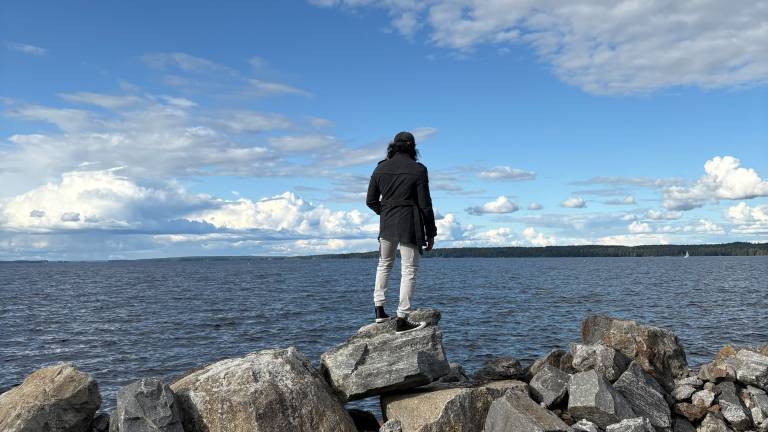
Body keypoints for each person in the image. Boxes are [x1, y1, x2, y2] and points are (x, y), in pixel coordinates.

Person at [366, 131, 437, 333]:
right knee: (409, 270)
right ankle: (402, 318)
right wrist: (431, 232)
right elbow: (425, 205)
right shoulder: (418, 170)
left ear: (393, 146)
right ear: (413, 147)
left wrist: (386, 211)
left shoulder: (380, 168)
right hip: (410, 223)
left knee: (384, 264)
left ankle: (379, 311)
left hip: (387, 223)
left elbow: (370, 201)